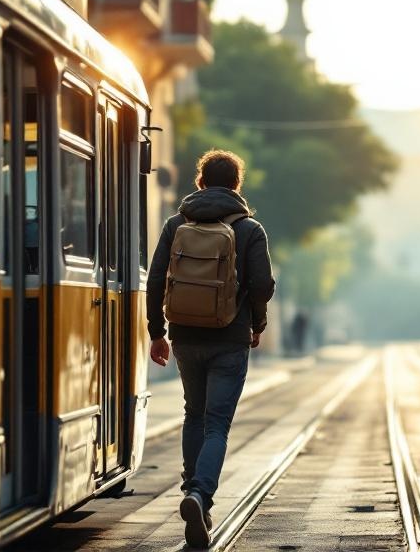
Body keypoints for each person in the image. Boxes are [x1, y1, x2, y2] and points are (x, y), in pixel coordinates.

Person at [147, 149, 275, 549]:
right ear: (237, 184)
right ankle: (200, 496)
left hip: (185, 335)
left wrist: (157, 331)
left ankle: (191, 491)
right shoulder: (250, 229)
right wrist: (257, 323)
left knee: (193, 414)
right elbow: (262, 285)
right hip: (229, 338)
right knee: (217, 423)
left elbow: (155, 280)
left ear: (200, 182)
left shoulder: (175, 223)